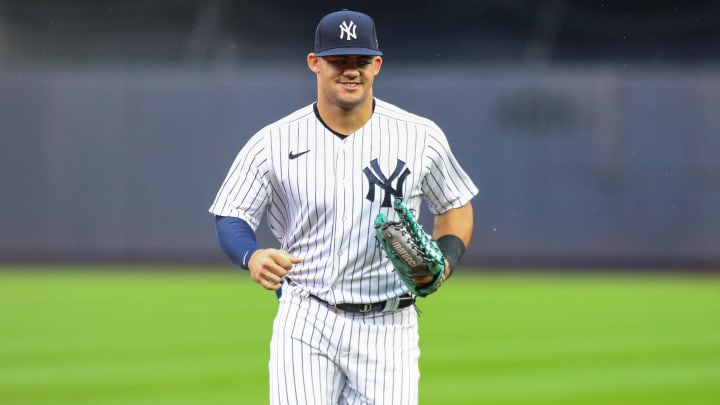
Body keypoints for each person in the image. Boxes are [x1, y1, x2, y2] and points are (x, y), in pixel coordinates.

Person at [209, 9, 478, 405]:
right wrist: (252, 255)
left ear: (378, 65)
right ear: (314, 63)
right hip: (306, 316)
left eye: (360, 61)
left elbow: (455, 204)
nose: (350, 70)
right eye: (338, 60)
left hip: (390, 324)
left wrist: (447, 259)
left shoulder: (420, 136)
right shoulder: (274, 141)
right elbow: (231, 212)